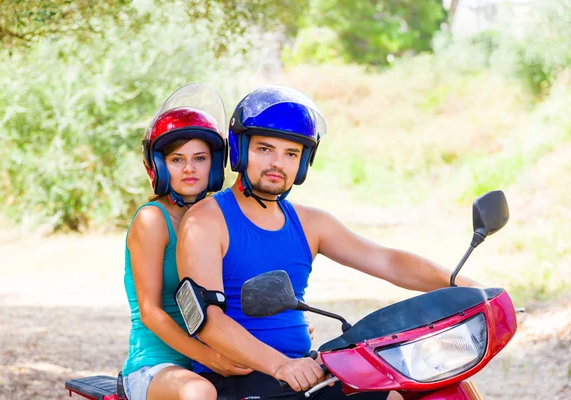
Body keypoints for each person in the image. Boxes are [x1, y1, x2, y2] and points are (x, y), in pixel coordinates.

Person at [176, 85, 480, 400]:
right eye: (265, 149)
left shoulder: (310, 223)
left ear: (303, 161)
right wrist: (281, 366)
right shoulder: (206, 221)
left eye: (291, 153)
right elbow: (208, 322)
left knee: (408, 389)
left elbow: (387, 261)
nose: (278, 163)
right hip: (241, 377)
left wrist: (464, 284)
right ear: (241, 150)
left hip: (303, 372)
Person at [121, 83, 253, 400]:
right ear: (158, 166)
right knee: (199, 392)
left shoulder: (222, 218)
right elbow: (151, 312)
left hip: (218, 358)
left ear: (215, 163)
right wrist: (210, 358)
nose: (190, 168)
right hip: (158, 366)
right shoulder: (152, 220)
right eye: (177, 159)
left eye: (200, 157)